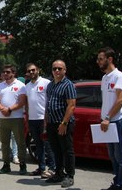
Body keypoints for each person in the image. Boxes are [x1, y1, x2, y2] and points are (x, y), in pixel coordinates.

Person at [45, 60, 76, 188]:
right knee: (56, 150)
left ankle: (70, 175)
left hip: (63, 123)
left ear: (65, 70)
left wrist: (64, 123)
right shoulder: (50, 85)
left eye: (59, 68)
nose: (56, 71)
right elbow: (48, 104)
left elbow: (72, 105)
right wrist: (46, 121)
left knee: (67, 150)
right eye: (54, 69)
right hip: (52, 123)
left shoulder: (68, 85)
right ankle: (59, 173)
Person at [97, 47, 122, 190]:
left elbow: (120, 100)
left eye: (101, 59)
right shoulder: (104, 78)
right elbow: (106, 100)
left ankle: (121, 185)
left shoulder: (119, 76)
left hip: (118, 121)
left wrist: (107, 117)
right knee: (113, 157)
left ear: (110, 59)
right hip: (107, 122)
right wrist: (103, 117)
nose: (98, 62)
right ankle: (117, 182)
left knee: (121, 157)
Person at [0, 64, 27, 175]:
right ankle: (6, 164)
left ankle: (22, 165)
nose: (5, 74)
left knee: (20, 142)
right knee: (4, 143)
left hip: (16, 118)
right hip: (2, 118)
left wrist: (9, 109)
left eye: (8, 72)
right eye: (4, 72)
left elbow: (22, 102)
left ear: (13, 73)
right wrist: (3, 109)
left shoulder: (21, 85)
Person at [24, 63, 55, 178]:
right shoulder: (27, 86)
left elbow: (50, 101)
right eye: (29, 71)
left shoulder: (46, 83)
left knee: (48, 145)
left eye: (33, 70)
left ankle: (52, 168)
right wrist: (27, 118)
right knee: (38, 145)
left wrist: (48, 119)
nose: (31, 72)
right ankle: (41, 168)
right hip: (32, 119)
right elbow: (27, 103)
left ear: (38, 70)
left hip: (44, 119)